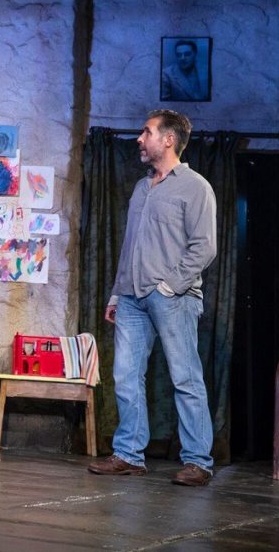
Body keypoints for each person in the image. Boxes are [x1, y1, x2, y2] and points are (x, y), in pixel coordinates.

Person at [88, 109, 217, 487]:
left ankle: (198, 461)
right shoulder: (142, 188)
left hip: (173, 297)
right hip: (130, 297)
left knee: (185, 378)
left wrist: (169, 285)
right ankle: (129, 454)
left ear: (168, 139)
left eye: (146, 132)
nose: (139, 139)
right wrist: (116, 292)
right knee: (126, 376)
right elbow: (131, 246)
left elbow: (204, 247)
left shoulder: (195, 186)